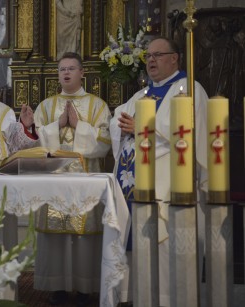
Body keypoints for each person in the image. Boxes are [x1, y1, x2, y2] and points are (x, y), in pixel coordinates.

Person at [109, 37, 208, 306]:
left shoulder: (189, 90)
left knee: (163, 246)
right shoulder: (142, 93)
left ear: (175, 58)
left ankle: (166, 299)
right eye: (148, 56)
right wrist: (122, 125)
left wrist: (142, 126)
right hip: (132, 184)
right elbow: (120, 119)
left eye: (158, 55)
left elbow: (187, 135)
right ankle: (137, 297)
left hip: (169, 183)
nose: (151, 60)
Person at [33, 52, 112, 306]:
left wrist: (79, 126)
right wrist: (57, 126)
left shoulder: (97, 105)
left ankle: (84, 286)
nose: (65, 73)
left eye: (71, 68)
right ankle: (56, 286)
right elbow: (35, 143)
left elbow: (104, 143)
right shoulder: (45, 106)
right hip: (53, 181)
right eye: (61, 69)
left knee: (83, 235)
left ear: (82, 73)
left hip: (84, 179)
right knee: (55, 236)